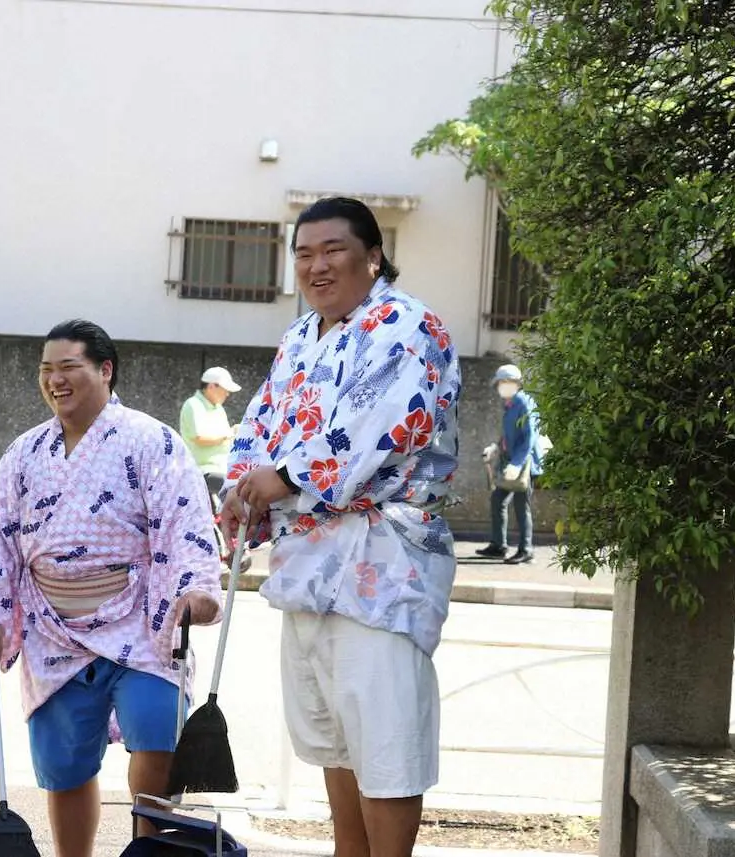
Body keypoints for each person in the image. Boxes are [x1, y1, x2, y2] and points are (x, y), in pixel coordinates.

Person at [220, 197, 461, 857]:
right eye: (304, 253)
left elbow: (378, 427)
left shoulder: (409, 325)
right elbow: (260, 425)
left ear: (372, 255)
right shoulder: (301, 337)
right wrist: (242, 488)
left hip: (384, 560)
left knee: (385, 743)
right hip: (307, 564)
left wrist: (285, 479)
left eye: (333, 250)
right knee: (334, 739)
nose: (316, 266)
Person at [0, 319, 224, 857]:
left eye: (68, 368)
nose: (55, 380)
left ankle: (148, 849)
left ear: (105, 371)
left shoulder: (153, 441)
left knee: (156, 730)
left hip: (139, 618)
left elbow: (183, 519)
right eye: (46, 371)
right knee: (64, 763)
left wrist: (195, 586)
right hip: (50, 625)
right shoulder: (25, 453)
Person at [476, 364, 543, 564]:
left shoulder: (524, 403)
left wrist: (516, 464)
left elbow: (529, 437)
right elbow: (509, 435)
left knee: (522, 506)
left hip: (523, 464)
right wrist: (495, 447)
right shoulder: (510, 404)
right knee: (498, 500)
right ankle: (499, 545)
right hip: (511, 462)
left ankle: (526, 549)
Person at [179, 366, 242, 498]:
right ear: (212, 386)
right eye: (225, 389)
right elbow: (199, 438)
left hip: (223, 469)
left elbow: (225, 436)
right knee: (236, 492)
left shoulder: (219, 408)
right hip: (202, 470)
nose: (227, 394)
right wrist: (227, 435)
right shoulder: (193, 404)